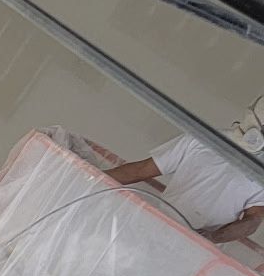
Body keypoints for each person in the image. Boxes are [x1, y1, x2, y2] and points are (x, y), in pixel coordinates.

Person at [105, 100, 264, 246]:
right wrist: (89, 176)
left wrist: (210, 238)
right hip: (154, 225)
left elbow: (252, 220)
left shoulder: (261, 173)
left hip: (193, 251)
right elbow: (140, 170)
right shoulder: (206, 140)